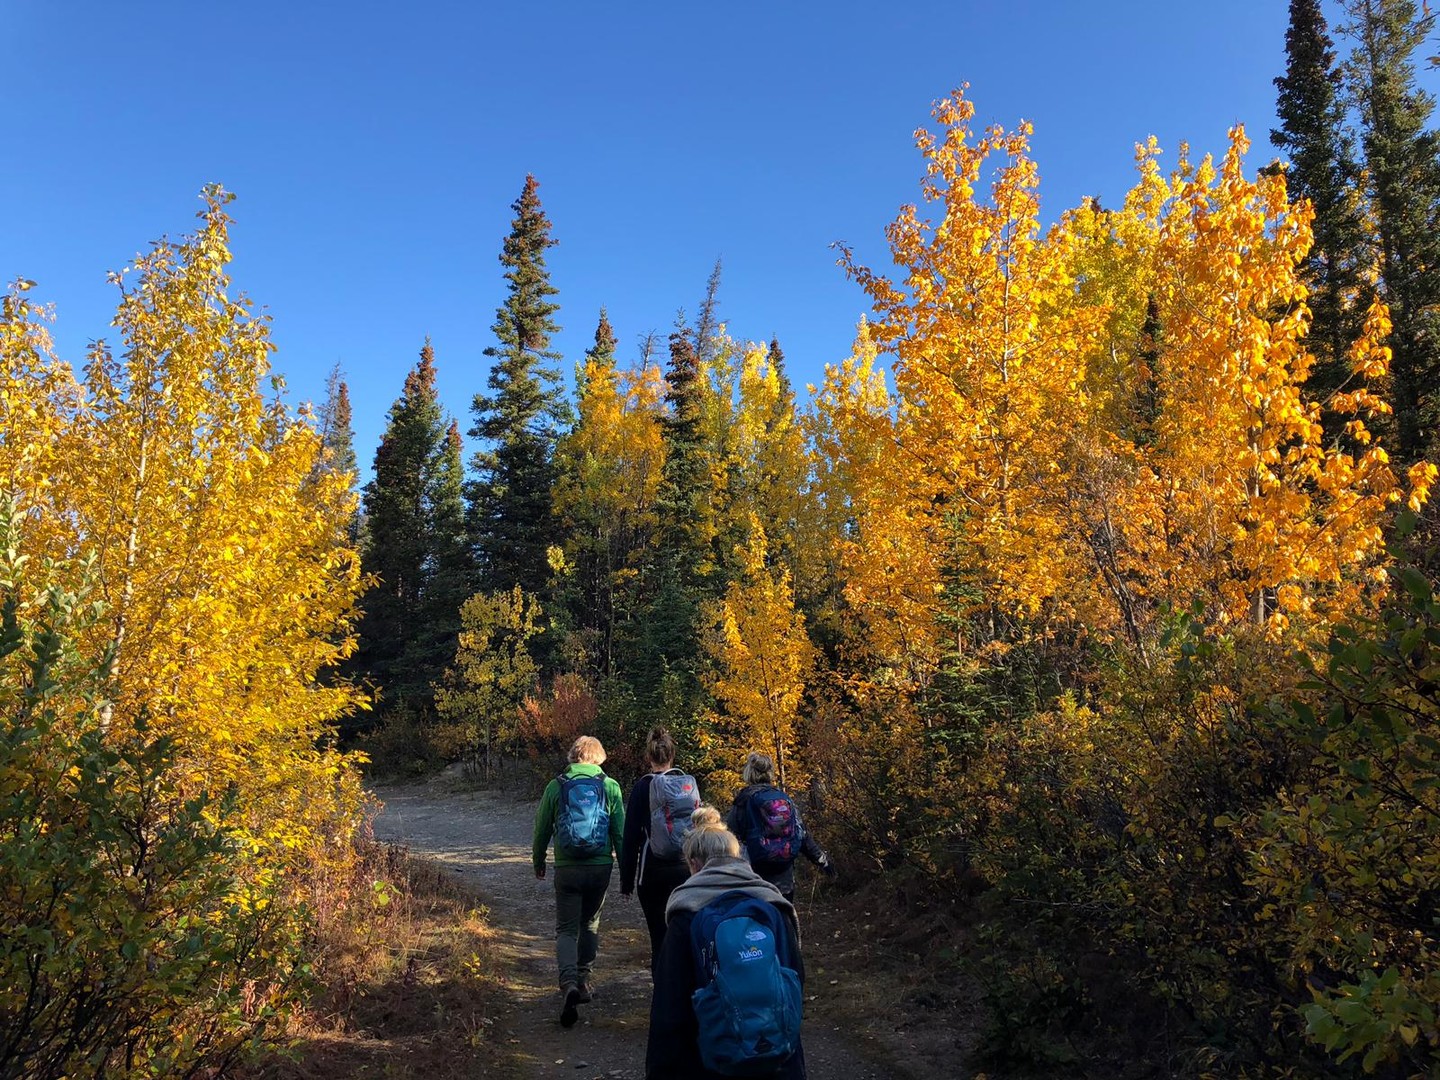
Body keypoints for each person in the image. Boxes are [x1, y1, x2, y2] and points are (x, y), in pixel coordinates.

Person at [646, 807, 807, 1079]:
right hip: (777, 1055)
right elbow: (795, 978)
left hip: (712, 1059)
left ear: (694, 864)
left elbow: (669, 1007)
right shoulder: (772, 906)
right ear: (737, 856)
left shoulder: (687, 914)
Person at [532, 735, 626, 1028]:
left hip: (567, 867)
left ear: (573, 756)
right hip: (599, 867)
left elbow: (541, 828)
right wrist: (627, 873)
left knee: (566, 928)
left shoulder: (556, 785)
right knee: (590, 924)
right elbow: (620, 833)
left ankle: (568, 983)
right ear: (599, 757)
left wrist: (538, 861)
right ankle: (583, 981)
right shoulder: (609, 786)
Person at [619, 726, 701, 970]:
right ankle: (687, 987)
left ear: (649, 756)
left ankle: (662, 988)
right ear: (672, 755)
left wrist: (626, 882)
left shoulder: (643, 787)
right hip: (686, 868)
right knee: (685, 934)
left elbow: (630, 837)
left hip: (652, 870)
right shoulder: (686, 784)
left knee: (659, 938)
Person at [726, 752, 835, 903]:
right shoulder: (784, 799)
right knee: (785, 913)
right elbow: (802, 835)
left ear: (748, 773)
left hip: (754, 878)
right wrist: (822, 861)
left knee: (759, 916)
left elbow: (728, 838)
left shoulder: (743, 801)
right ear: (770, 772)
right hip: (784, 878)